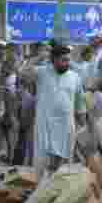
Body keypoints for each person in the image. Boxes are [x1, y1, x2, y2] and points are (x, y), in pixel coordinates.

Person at [23, 44, 86, 174]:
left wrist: (83, 125)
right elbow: (23, 73)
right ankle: (41, 190)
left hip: (66, 128)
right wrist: (39, 57)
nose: (67, 63)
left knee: (62, 168)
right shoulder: (42, 72)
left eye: (68, 60)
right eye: (64, 60)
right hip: (45, 126)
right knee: (43, 165)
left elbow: (80, 105)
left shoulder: (75, 77)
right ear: (54, 60)